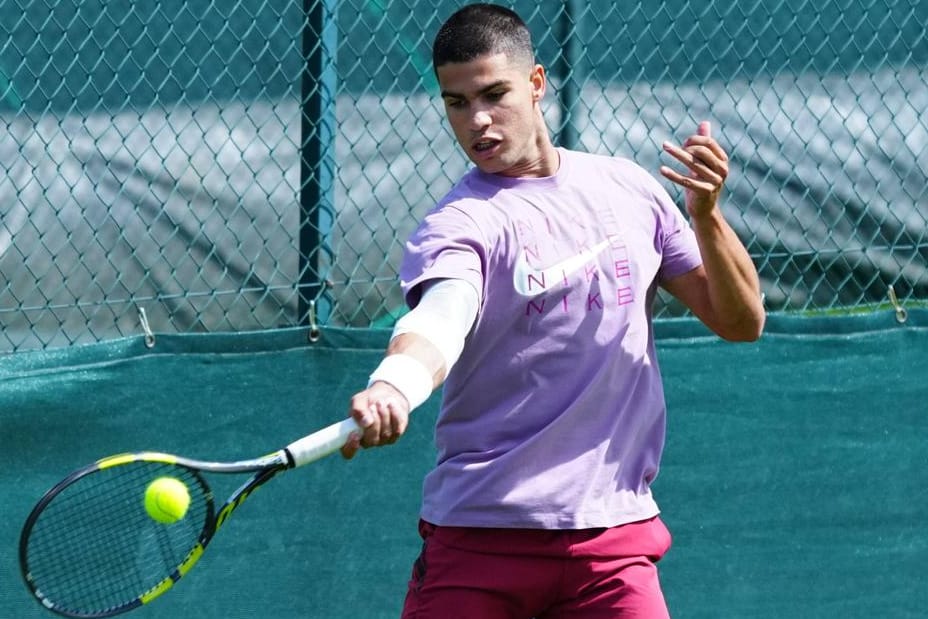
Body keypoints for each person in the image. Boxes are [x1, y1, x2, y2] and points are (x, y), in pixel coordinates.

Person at [340, 3, 766, 617]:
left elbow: (742, 321)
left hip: (613, 546)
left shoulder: (630, 189)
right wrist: (394, 386)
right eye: (456, 103)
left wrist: (706, 215)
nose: (477, 121)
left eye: (493, 94)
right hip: (481, 539)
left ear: (537, 84)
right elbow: (441, 318)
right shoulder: (460, 223)